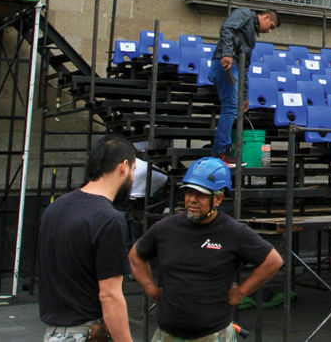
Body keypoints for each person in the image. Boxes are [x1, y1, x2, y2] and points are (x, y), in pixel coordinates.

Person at [129, 157, 283, 342]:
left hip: (213, 334)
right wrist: (152, 290)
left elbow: (273, 261)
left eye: (200, 194)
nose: (192, 200)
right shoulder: (165, 228)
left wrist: (240, 293)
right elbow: (135, 255)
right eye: (189, 192)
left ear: (218, 199)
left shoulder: (233, 232)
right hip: (167, 334)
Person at [38, 134, 136, 342]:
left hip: (54, 333)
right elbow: (110, 295)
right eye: (133, 170)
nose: (133, 177)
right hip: (84, 333)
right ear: (123, 167)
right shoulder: (109, 220)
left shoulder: (55, 208)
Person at [210, 8, 279, 164]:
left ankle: (221, 149)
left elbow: (245, 66)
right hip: (226, 64)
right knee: (230, 107)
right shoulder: (246, 14)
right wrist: (227, 53)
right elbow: (227, 27)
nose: (269, 31)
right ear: (265, 17)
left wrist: (244, 95)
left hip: (234, 66)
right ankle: (221, 151)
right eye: (271, 26)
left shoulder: (251, 36)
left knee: (231, 107)